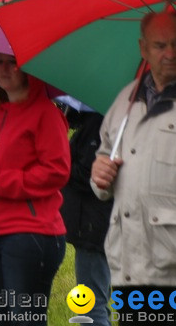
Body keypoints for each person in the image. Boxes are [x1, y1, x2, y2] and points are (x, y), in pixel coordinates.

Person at [90, 10, 176, 321]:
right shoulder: (127, 98)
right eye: (160, 45)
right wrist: (99, 174)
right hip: (130, 267)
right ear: (143, 49)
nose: (170, 53)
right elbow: (105, 155)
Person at [0, 54, 70, 320]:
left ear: (29, 69)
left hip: (30, 234)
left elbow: (56, 172)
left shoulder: (46, 114)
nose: (4, 69)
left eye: (13, 62)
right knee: (0, 318)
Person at [58, 100, 113, 326]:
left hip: (94, 224)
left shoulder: (101, 124)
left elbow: (91, 176)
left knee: (91, 305)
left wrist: (61, 163)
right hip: (92, 223)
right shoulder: (98, 121)